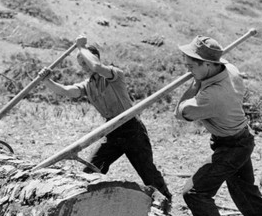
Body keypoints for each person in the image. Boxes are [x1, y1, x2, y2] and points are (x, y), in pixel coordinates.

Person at [174, 35, 262, 216]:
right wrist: (198, 77)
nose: (188, 69)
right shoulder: (230, 69)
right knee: (244, 190)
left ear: (208, 65)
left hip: (231, 147)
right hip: (240, 139)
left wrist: (194, 84)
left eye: (191, 66)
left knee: (195, 193)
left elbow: (180, 112)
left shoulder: (212, 96)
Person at [38, 35, 172, 201]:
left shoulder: (114, 74)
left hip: (131, 128)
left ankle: (166, 204)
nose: (85, 67)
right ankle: (86, 204)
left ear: (95, 58)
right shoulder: (88, 85)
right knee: (91, 170)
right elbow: (66, 91)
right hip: (111, 131)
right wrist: (47, 80)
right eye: (81, 64)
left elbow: (96, 66)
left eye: (85, 62)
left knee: (148, 173)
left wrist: (81, 47)